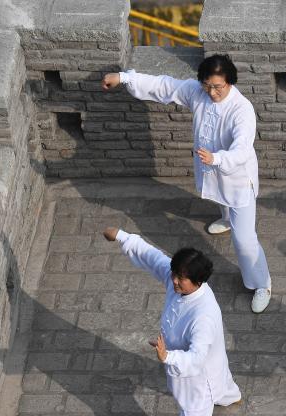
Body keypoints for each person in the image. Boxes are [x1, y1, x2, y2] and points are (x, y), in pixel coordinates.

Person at [102, 54, 273, 313]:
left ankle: (262, 283)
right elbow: (165, 86)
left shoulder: (242, 110)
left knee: (245, 239)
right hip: (212, 171)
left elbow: (241, 150)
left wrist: (216, 158)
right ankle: (227, 218)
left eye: (218, 87)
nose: (212, 92)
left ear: (230, 82)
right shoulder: (198, 93)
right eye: (207, 85)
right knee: (218, 198)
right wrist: (124, 78)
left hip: (237, 179)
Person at [103, 226, 241, 416]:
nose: (174, 281)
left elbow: (196, 359)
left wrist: (168, 357)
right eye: (175, 275)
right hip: (209, 364)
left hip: (198, 379)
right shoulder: (180, 284)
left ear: (198, 281)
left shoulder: (203, 316)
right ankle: (230, 395)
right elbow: (154, 258)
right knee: (222, 379)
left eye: (181, 278)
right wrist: (122, 236)